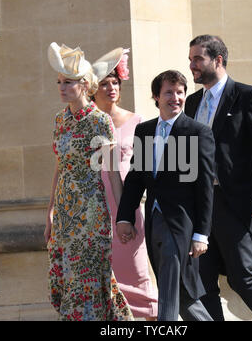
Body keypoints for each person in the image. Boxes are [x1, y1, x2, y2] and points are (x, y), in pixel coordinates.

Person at [185, 34, 252, 321]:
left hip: (233, 203)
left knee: (241, 276)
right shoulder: (192, 102)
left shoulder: (247, 96)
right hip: (200, 204)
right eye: (190, 59)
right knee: (203, 278)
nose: (192, 65)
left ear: (217, 60)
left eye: (198, 59)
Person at [116, 70, 215, 321]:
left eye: (180, 92)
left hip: (181, 224)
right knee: (181, 293)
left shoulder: (197, 132)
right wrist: (124, 217)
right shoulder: (144, 131)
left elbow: (205, 186)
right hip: (154, 222)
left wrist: (202, 233)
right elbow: (135, 179)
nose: (176, 97)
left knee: (169, 292)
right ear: (156, 97)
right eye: (169, 92)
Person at [44, 42, 133, 321]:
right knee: (70, 280)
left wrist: (123, 216)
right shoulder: (60, 121)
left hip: (91, 215)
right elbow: (60, 168)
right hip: (64, 214)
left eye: (67, 82)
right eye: (59, 81)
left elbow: (113, 173)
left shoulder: (100, 121)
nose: (61, 87)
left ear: (83, 85)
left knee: (91, 279)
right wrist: (49, 212)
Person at [91, 47, 158, 320]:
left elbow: (145, 171)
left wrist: (128, 213)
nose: (111, 88)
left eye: (115, 82)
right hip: (94, 210)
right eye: (104, 84)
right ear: (92, 89)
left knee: (138, 275)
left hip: (127, 207)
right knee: (102, 283)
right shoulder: (87, 123)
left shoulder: (137, 122)